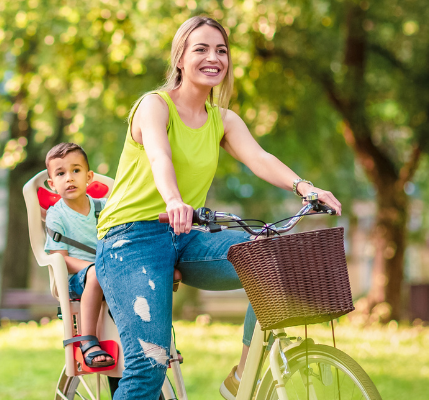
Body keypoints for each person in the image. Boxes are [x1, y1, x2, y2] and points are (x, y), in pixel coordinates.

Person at [93, 16, 342, 400]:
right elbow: (160, 157)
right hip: (131, 240)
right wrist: (174, 200)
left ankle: (242, 376)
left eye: (221, 50)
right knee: (149, 365)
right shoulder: (153, 106)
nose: (214, 58)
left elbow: (260, 158)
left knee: (268, 259)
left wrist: (306, 188)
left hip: (187, 235)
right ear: (180, 58)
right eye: (201, 49)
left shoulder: (222, 120)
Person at [42, 142, 115, 368]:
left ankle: (153, 341)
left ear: (89, 176)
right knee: (95, 274)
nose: (69, 178)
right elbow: (60, 258)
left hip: (110, 272)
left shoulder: (104, 207)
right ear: (52, 184)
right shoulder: (57, 216)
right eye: (61, 173)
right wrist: (96, 268)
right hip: (78, 279)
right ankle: (88, 340)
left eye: (76, 170)